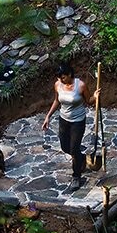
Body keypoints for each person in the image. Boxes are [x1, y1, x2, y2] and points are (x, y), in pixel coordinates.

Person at [42, 61, 98, 191]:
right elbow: (56, 101)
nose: (60, 80)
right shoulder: (58, 84)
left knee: (73, 149)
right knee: (65, 147)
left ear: (69, 74)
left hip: (78, 121)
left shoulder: (81, 86)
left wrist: (95, 97)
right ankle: (81, 157)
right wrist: (48, 116)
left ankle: (76, 176)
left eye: (63, 77)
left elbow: (88, 101)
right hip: (64, 120)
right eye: (59, 77)